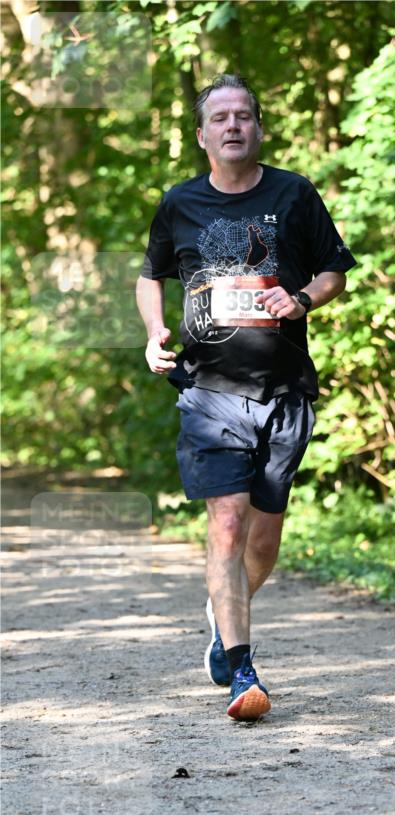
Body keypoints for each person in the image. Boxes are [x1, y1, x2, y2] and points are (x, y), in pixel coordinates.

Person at [136, 74, 356, 722]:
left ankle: (219, 610)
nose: (233, 125)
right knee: (226, 524)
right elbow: (151, 276)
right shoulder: (179, 203)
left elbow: (333, 270)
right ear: (202, 135)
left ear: (258, 129)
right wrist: (154, 333)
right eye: (220, 118)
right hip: (208, 392)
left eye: (244, 116)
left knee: (262, 541)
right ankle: (242, 672)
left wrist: (303, 297)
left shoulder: (294, 194)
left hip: (284, 393)